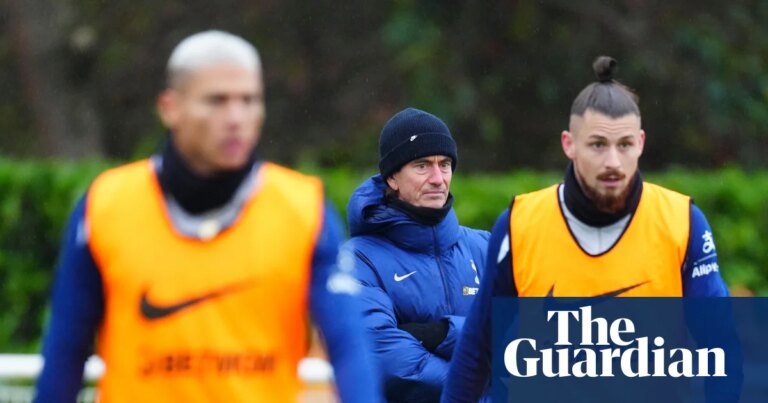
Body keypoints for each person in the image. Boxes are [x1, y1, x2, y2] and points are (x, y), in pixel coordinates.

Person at [35, 30, 381, 403]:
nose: (236, 117)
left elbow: (349, 344)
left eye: (249, 100)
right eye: (217, 101)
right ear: (170, 108)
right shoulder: (105, 206)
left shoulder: (304, 209)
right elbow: (65, 350)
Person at [442, 56, 738, 402]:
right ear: (569, 144)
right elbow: (477, 348)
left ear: (641, 143)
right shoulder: (519, 224)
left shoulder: (682, 222)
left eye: (624, 144)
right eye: (598, 144)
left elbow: (721, 349)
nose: (613, 162)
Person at [344, 107, 490, 402]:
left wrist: (439, 334)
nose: (438, 178)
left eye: (445, 164)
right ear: (392, 178)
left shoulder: (487, 247)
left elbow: (530, 339)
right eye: (422, 166)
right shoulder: (358, 260)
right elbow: (386, 359)